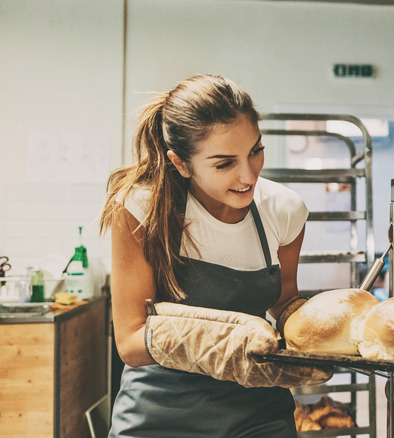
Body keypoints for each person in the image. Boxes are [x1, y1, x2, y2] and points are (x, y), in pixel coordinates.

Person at [99, 74, 332, 437]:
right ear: (181, 163)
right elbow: (131, 341)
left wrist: (329, 332)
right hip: (159, 413)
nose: (248, 175)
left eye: (256, 151)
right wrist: (231, 346)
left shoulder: (284, 210)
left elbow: (284, 301)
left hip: (258, 412)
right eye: (224, 163)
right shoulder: (140, 208)